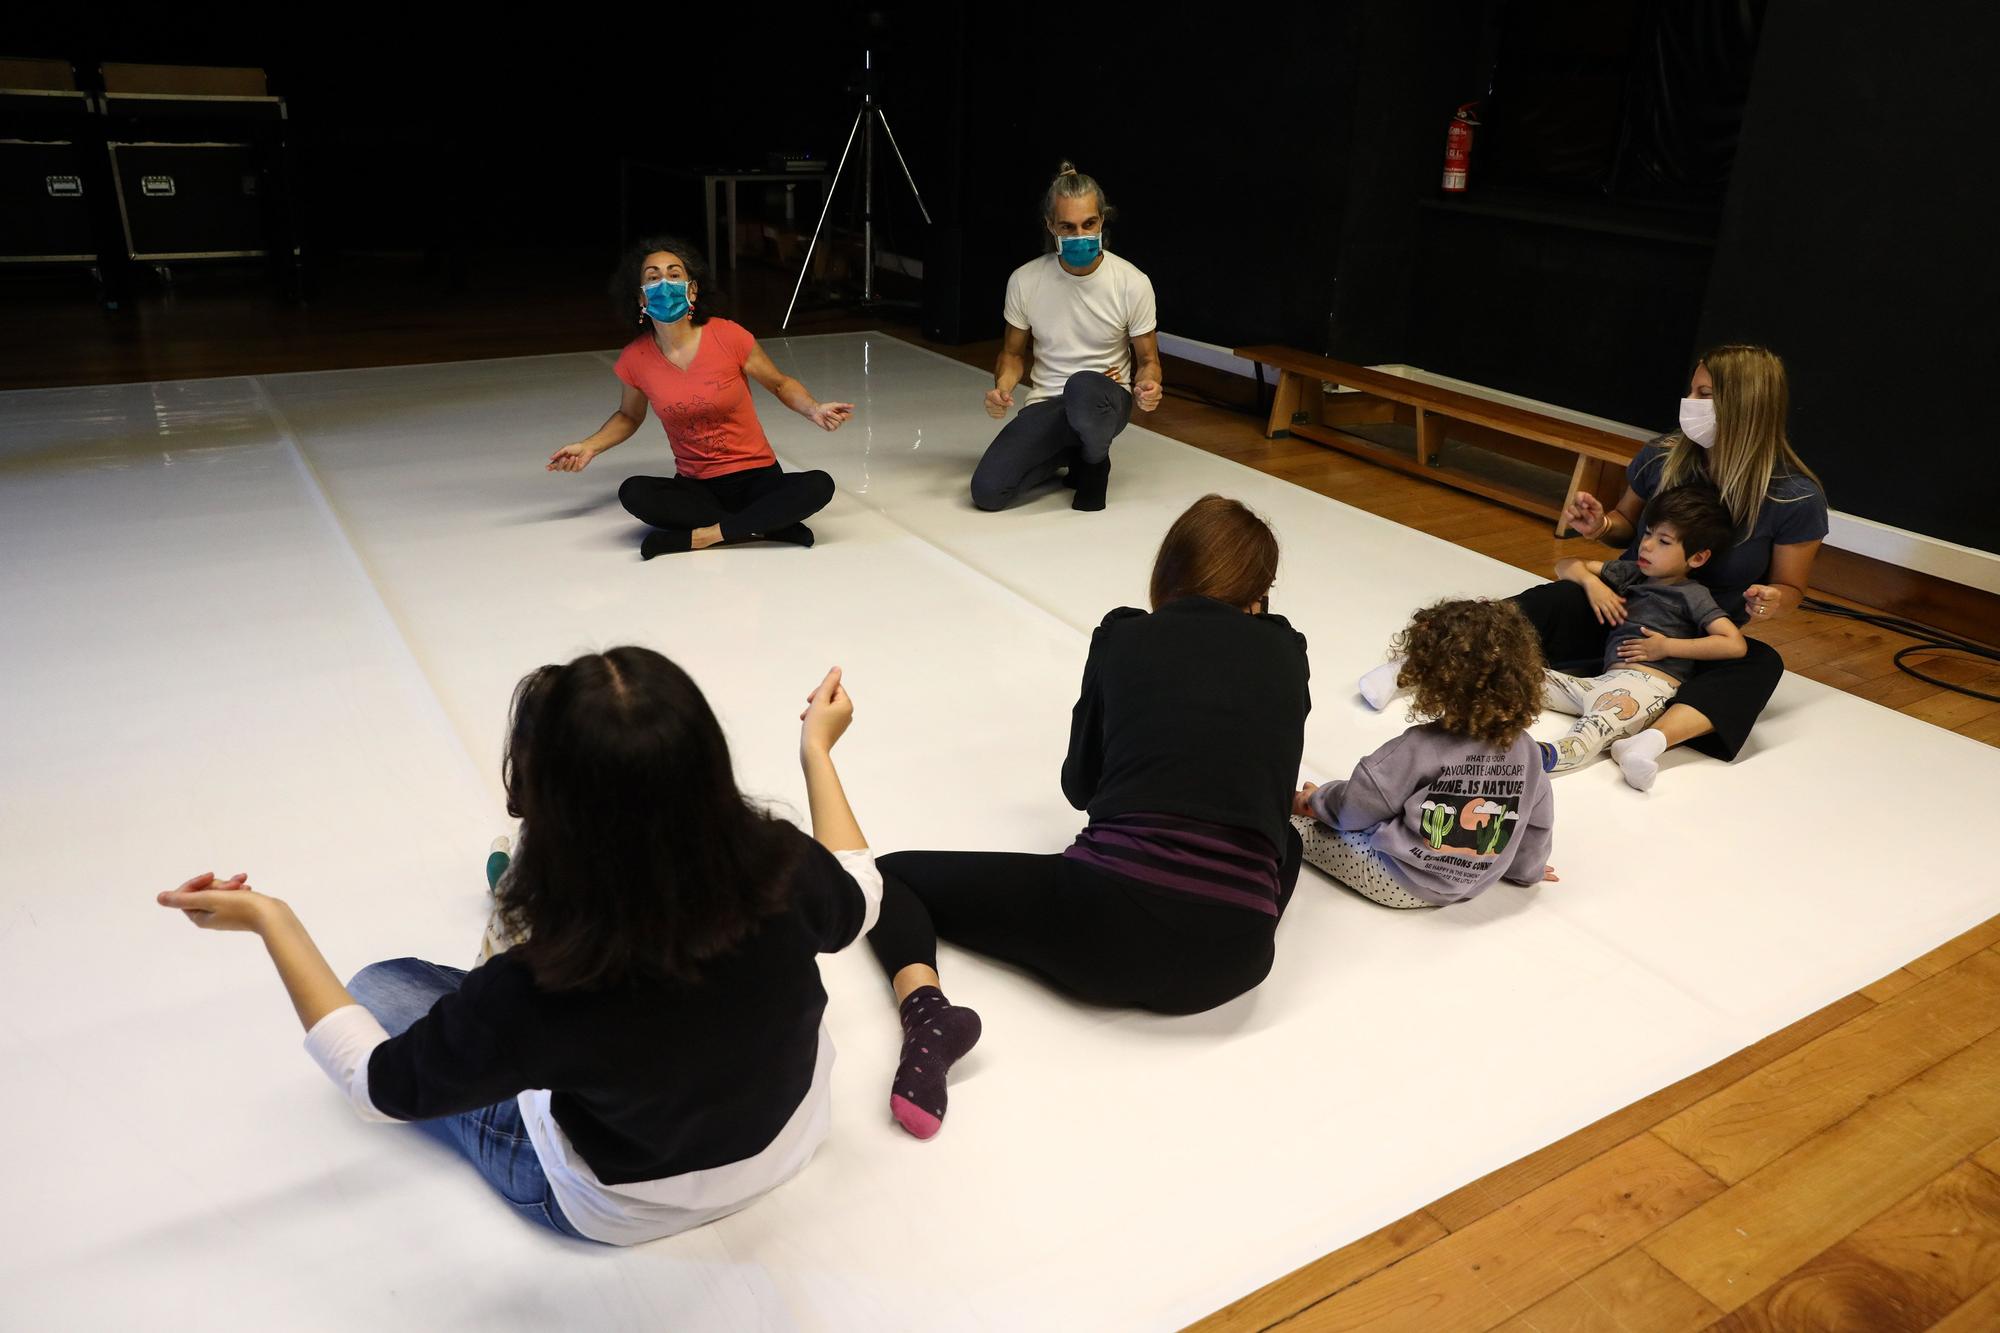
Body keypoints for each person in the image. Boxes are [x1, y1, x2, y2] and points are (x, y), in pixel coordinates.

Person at [157, 651, 881, 1246]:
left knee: (382, 985)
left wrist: (270, 918)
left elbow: (377, 1087)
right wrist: (815, 746)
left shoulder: (542, 985)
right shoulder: (785, 865)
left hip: (621, 1207)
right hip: (790, 1140)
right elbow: (861, 892)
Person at [863, 496, 1310, 1140]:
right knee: (1283, 843)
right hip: (1235, 964)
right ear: (1259, 595)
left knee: (890, 876)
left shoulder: (1125, 635)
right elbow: (1268, 797)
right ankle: (1221, 901)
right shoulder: (1289, 651)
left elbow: (1081, 786)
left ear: (1168, 573)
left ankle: (929, 1014)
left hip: (1100, 937)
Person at [1362, 344, 1828, 788]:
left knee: (1761, 662)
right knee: (1554, 599)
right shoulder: (1665, 456)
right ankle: (1413, 668)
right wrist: (1600, 524)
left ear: (1747, 404)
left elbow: (1790, 587)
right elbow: (1626, 525)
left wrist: (1771, 600)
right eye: (1692, 391)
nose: (1691, 403)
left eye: (1705, 395)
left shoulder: (1794, 496)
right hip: (1621, 609)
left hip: (1693, 644)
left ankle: (1652, 738)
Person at [548, 236, 850, 557]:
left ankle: (700, 537)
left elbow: (778, 383)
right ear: (640, 298)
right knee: (634, 492)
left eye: (674, 274)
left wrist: (813, 409)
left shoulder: (729, 335)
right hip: (698, 487)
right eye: (653, 277)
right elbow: (629, 416)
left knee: (820, 484)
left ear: (692, 289)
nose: (664, 283)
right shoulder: (635, 359)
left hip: (759, 478)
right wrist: (588, 446)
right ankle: (767, 524)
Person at [1295, 599, 1556, 909]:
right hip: (1472, 885)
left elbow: (1357, 806)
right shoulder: (1527, 751)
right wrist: (1526, 872)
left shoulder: (1420, 747)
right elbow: (1536, 823)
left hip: (1394, 879)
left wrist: (1316, 801)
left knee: (1292, 826)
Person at [969, 162, 1162, 513]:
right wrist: (1003, 388)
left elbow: (1148, 361)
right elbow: (1013, 354)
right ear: (1050, 227)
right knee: (988, 492)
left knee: (1082, 387)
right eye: (1068, 227)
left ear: (1102, 220)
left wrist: (1149, 386)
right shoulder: (1025, 280)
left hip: (1104, 398)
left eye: (1089, 224)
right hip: (1048, 403)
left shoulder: (1132, 282)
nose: (1080, 235)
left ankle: (1094, 462)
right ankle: (1070, 452)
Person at [1539, 484, 1745, 780]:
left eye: (1663, 541)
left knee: (1593, 730)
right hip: (1601, 682)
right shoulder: (1633, 574)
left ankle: (1541, 756)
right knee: (1527, 679)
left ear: (1697, 558)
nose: (1646, 545)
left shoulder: (1691, 594)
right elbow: (1566, 564)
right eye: (1647, 533)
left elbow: (1733, 643)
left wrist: (1667, 647)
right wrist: (1591, 583)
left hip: (1646, 689)